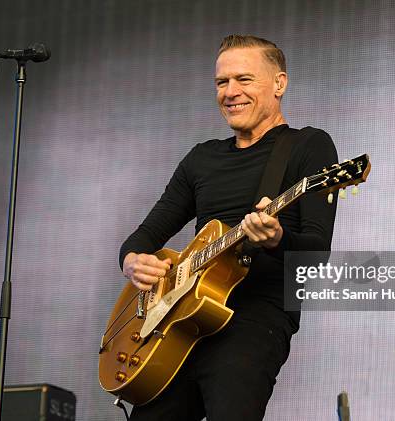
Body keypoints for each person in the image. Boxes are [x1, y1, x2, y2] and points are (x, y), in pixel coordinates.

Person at [119, 34, 338, 421]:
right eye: (222, 82)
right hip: (179, 323)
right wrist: (133, 261)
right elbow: (143, 237)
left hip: (254, 319)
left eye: (244, 79)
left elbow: (316, 254)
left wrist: (277, 238)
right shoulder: (202, 158)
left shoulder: (308, 146)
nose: (230, 92)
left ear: (279, 83)